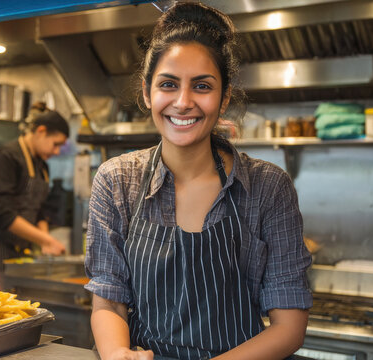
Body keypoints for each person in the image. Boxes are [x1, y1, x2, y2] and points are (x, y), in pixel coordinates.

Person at [84, 3, 312, 360]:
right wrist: (117, 353)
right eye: (168, 85)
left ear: (223, 99)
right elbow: (109, 301)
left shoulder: (268, 187)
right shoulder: (117, 180)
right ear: (147, 94)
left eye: (202, 86)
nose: (183, 101)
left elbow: (289, 327)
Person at [0, 107, 69, 284]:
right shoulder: (7, 157)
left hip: (19, 258)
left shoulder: (42, 166)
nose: (57, 152)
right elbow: (2, 213)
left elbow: (39, 210)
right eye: (56, 144)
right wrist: (46, 240)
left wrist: (45, 243)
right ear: (41, 131)